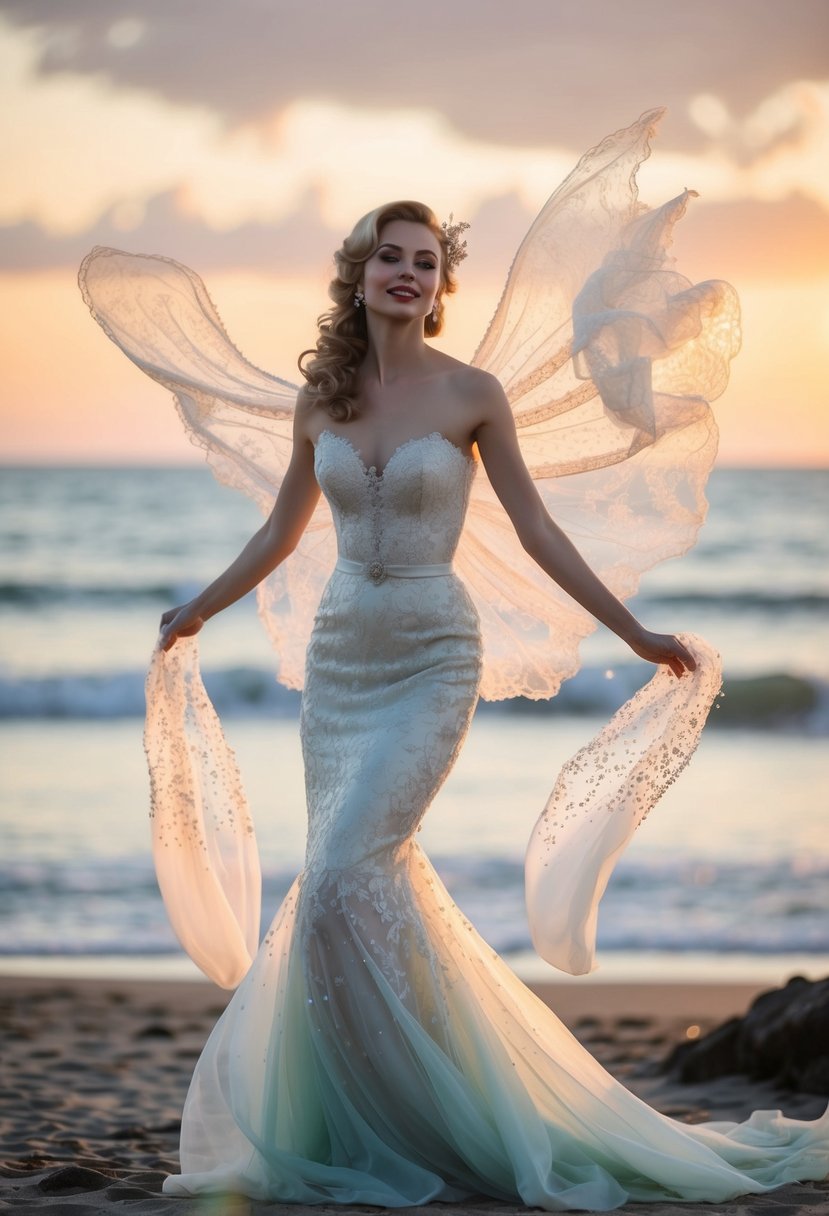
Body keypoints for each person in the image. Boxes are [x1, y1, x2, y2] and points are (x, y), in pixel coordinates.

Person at [80, 113, 827, 1208]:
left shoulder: (473, 393)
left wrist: (636, 636)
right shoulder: (320, 401)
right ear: (359, 272)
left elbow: (534, 530)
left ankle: (421, 1106)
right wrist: (198, 604)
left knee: (342, 871)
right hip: (340, 659)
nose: (407, 272)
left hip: (431, 654)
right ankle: (383, 1101)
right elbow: (283, 534)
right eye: (391, 253)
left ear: (441, 290)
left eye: (426, 263)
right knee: (358, 883)